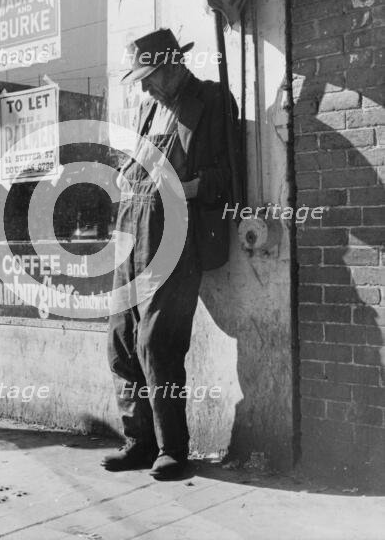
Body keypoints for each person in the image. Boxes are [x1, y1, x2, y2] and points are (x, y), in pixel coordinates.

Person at [102, 28, 237, 479]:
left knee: (155, 340)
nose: (143, 86)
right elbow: (133, 163)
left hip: (177, 231)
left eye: (150, 75)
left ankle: (173, 449)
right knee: (122, 339)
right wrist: (125, 178)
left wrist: (181, 190)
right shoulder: (147, 108)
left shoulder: (213, 101)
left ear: (175, 65)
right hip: (131, 229)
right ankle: (138, 442)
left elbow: (227, 178)